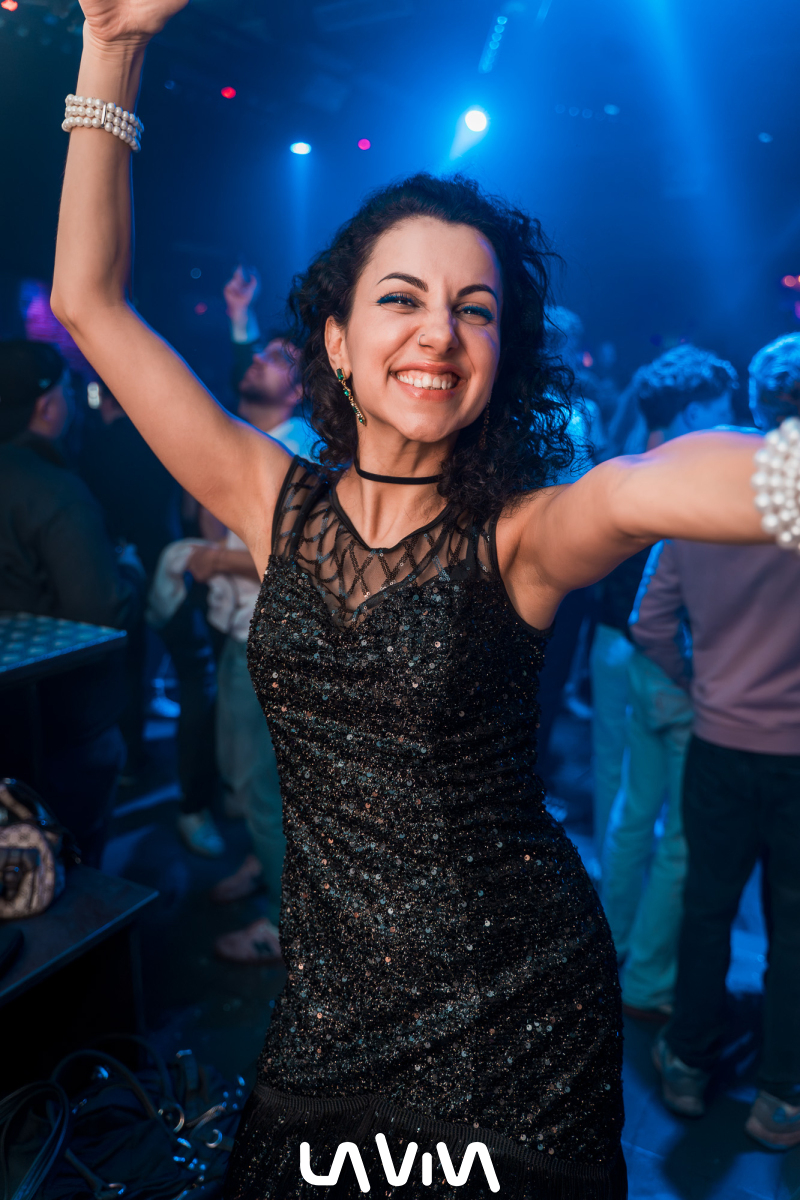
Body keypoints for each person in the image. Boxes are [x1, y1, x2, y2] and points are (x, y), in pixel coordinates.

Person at [52, 7, 771, 1191]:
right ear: (337, 342)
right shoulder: (269, 498)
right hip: (328, 1014)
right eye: (401, 298)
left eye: (473, 308)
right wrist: (112, 42)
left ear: (497, 355)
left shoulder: (522, 536)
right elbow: (89, 302)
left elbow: (647, 484)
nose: (439, 330)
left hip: (514, 1014)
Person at [639, 334, 800, 1149]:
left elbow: (649, 621)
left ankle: (689, 1067)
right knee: (794, 926)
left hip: (720, 741)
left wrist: (699, 679)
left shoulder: (705, 497)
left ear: (756, 404)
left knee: (707, 908)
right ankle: (781, 1097)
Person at [590, 346, 737, 865]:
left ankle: (609, 902)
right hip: (667, 652)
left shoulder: (616, 469)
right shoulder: (692, 487)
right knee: (673, 815)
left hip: (611, 641)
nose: (732, 424)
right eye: (723, 409)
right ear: (694, 413)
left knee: (618, 786)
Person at [0, 340, 144, 866]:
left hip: (10, 719)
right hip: (62, 724)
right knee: (70, 867)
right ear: (47, 405)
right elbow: (101, 610)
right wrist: (128, 569)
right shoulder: (55, 490)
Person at [77, 378, 181, 775]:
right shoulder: (155, 438)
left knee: (127, 655)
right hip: (159, 550)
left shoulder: (95, 444)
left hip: (118, 558)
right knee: (164, 645)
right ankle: (143, 748)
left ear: (105, 398)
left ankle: (131, 757)